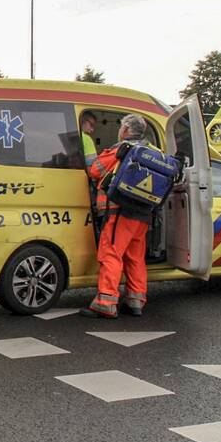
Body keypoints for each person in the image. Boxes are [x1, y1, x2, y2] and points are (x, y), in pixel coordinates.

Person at [80, 113, 156, 318]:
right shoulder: (152, 151)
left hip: (119, 211)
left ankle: (105, 302)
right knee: (135, 258)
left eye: (121, 127)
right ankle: (136, 301)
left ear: (126, 130)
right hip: (142, 214)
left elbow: (95, 170)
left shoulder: (121, 149)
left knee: (111, 254)